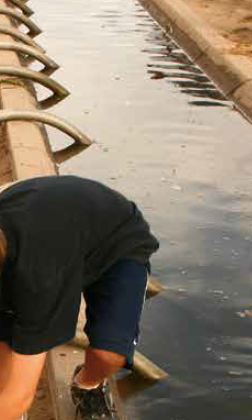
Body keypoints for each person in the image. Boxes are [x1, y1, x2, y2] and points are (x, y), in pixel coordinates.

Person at [0, 175, 159, 420]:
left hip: (115, 244)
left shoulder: (37, 279)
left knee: (108, 355)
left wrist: (12, 403)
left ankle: (87, 384)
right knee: (6, 343)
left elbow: (21, 394)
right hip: (54, 227)